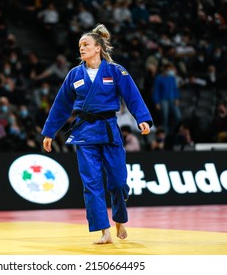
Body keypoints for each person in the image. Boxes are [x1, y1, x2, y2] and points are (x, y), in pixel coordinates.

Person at [41, 24, 153, 244]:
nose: (81, 49)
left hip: (109, 129)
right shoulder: (75, 74)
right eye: (80, 45)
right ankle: (104, 230)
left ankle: (120, 219)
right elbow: (61, 105)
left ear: (98, 48)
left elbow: (132, 96)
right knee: (91, 183)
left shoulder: (115, 70)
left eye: (86, 45)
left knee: (119, 182)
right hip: (84, 132)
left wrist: (142, 118)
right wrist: (49, 132)